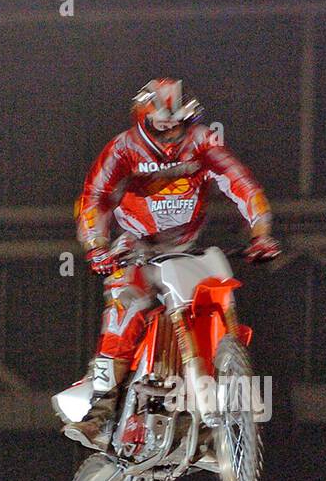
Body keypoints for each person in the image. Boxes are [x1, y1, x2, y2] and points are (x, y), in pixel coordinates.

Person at [61, 78, 281, 450]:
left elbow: (241, 183)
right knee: (126, 305)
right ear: (143, 121)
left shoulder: (203, 142)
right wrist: (96, 245)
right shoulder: (123, 149)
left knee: (220, 291)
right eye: (161, 126)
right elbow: (94, 198)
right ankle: (100, 408)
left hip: (185, 247)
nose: (169, 135)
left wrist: (261, 232)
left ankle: (223, 392)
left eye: (176, 125)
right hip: (135, 248)